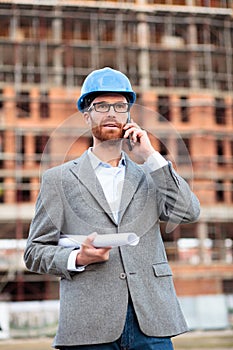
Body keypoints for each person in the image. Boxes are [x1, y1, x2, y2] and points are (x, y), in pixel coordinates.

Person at [24, 67, 200, 350]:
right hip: (89, 324)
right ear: (86, 115)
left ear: (129, 116)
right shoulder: (58, 180)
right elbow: (34, 252)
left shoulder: (151, 174)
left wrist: (152, 158)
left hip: (151, 320)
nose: (111, 113)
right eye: (101, 106)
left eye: (120, 106)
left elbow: (190, 212)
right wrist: (77, 258)